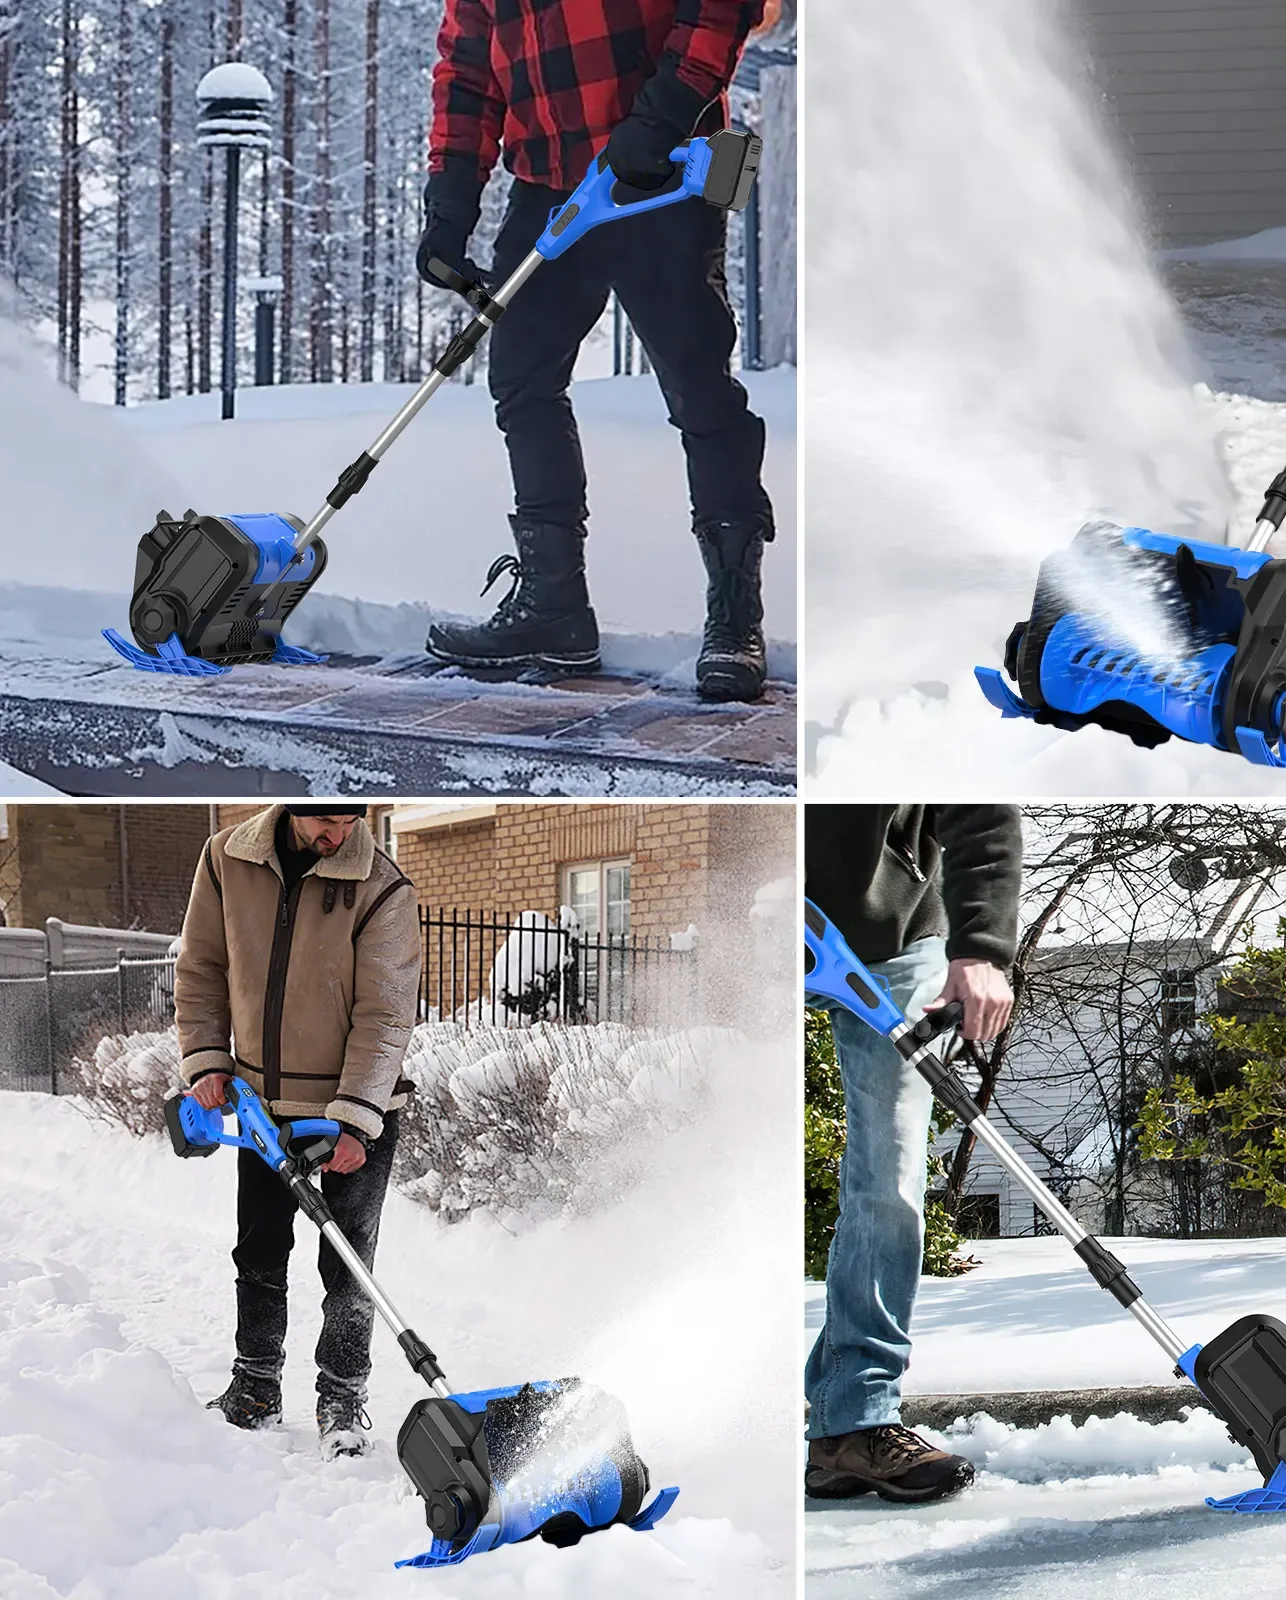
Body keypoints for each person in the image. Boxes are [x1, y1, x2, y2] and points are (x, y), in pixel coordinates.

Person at [418, 0, 776, 702]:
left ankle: (735, 619)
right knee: (522, 380)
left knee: (698, 387)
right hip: (548, 187)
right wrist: (450, 203)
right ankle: (554, 610)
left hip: (658, 175)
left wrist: (664, 113)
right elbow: (467, 65)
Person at [175, 805, 422, 1458]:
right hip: (264, 1107)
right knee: (258, 1253)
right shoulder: (228, 859)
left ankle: (342, 1398)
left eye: (350, 820)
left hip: (355, 1112)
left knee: (347, 1264)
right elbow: (202, 969)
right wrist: (205, 1060)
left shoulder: (383, 887)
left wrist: (354, 1121)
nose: (337, 835)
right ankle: (254, 1387)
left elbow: (386, 1016)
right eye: (324, 820)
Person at [804, 804, 1022, 1503]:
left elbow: (981, 809)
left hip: (892, 941)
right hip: (764, 916)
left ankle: (855, 1423)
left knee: (888, 1183)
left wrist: (982, 946)